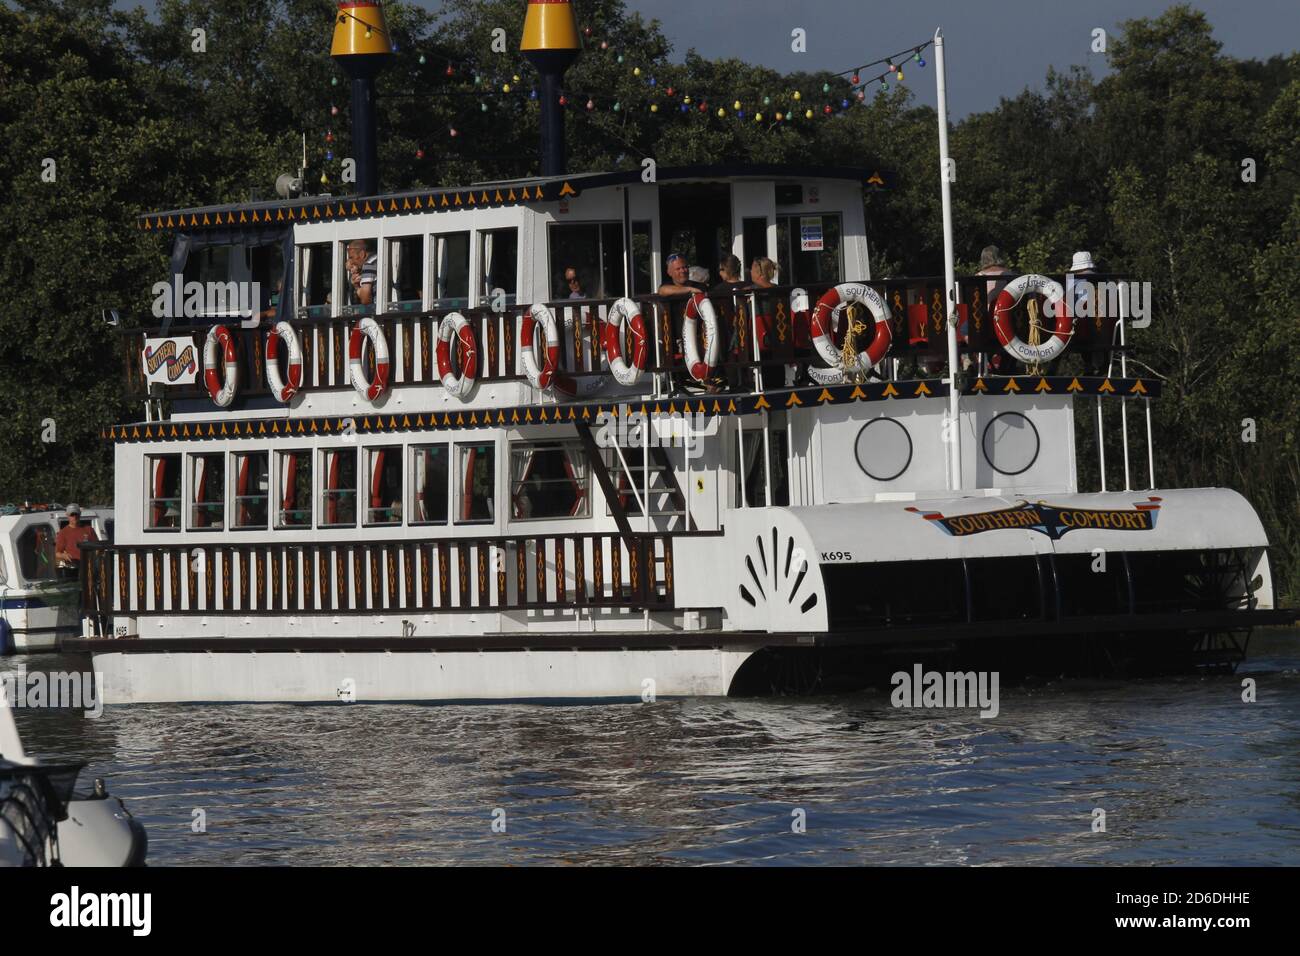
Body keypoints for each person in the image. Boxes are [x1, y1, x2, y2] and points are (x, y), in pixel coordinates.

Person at [55, 504, 98, 569]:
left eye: (76, 514)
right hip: (73, 568)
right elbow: (57, 553)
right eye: (72, 515)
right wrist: (64, 555)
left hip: (89, 567)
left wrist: (95, 557)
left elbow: (98, 547)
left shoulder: (89, 529)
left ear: (80, 514)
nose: (74, 517)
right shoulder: (63, 532)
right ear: (67, 515)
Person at [345, 239, 378, 306]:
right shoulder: (377, 259)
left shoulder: (368, 265)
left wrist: (356, 286)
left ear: (362, 254)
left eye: (352, 257)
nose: (351, 261)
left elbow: (366, 300)